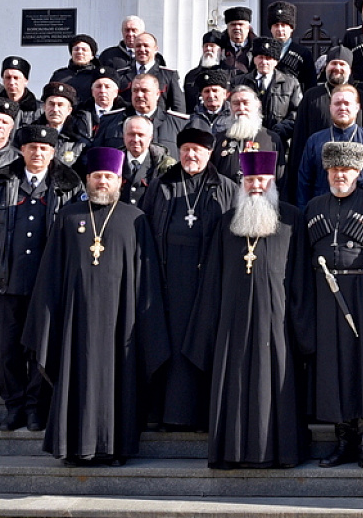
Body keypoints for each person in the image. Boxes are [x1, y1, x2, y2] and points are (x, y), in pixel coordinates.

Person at [23, 147, 169, 466]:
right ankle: (73, 447)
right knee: (76, 378)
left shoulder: (135, 219)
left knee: (120, 384)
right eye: (97, 176)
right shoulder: (69, 216)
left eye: (109, 177)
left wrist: (146, 321)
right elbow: (51, 272)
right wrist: (48, 319)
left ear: (120, 180)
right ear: (87, 180)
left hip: (121, 321)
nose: (102, 181)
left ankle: (114, 449)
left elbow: (146, 277)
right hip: (76, 320)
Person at [190, 151, 311, 469]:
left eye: (262, 180)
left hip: (277, 321)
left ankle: (278, 452)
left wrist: (301, 329)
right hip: (233, 321)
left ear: (272, 183)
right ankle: (232, 452)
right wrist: (211, 325)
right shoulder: (225, 223)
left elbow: (300, 278)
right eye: (250, 180)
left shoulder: (291, 219)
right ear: (242, 183)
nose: (256, 185)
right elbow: (212, 280)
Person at [0, 124, 83, 433]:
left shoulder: (69, 184)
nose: (38, 153)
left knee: (41, 348)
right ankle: (14, 407)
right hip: (7, 282)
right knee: (7, 349)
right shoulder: (1, 181)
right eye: (32, 147)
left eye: (45, 148)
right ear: (22, 150)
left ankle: (36, 408)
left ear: (53, 152)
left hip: (48, 284)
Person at [139, 127, 236, 430]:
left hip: (208, 280)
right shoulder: (160, 185)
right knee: (168, 344)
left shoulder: (227, 187)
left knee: (201, 344)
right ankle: (166, 414)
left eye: (197, 150)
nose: (191, 155)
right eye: (185, 150)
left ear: (209, 153)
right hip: (166, 280)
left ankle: (201, 415)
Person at [305, 142, 363, 476]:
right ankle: (343, 442)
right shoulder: (313, 207)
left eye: (347, 170)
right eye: (335, 170)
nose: (340, 175)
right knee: (333, 368)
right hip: (325, 295)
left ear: (358, 172)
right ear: (327, 171)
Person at [296, 85, 363, 209]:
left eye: (347, 103)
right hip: (323, 212)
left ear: (357, 107)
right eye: (337, 103)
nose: (342, 107)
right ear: (330, 108)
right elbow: (304, 182)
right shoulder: (315, 141)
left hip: (362, 212)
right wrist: (305, 213)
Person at [96, 73, 189, 159]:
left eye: (145, 91)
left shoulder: (178, 124)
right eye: (135, 91)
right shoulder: (110, 121)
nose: (139, 95)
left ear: (157, 94)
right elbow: (96, 156)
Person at [234, 37, 301, 144]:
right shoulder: (238, 82)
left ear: (276, 61)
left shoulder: (291, 84)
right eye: (260, 57)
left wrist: (281, 130)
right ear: (254, 59)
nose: (264, 62)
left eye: (268, 58)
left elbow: (297, 113)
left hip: (277, 142)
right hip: (245, 140)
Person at [210, 86, 283, 182]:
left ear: (257, 105)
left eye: (246, 103)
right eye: (236, 104)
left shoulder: (271, 140)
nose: (241, 108)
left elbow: (281, 180)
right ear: (230, 107)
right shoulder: (218, 139)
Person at [116, 32, 186, 113]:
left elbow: (179, 108)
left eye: (146, 46)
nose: (142, 49)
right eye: (138, 46)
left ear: (155, 49)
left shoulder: (169, 75)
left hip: (158, 123)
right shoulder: (120, 75)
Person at [118, 115, 176, 207]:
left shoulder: (164, 164)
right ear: (124, 136)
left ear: (150, 138)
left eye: (141, 135)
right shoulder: (114, 162)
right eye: (131, 134)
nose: (136, 139)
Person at [33, 81, 90, 168]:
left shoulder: (80, 143)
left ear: (69, 110)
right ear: (44, 107)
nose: (55, 109)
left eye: (60, 105)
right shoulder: (29, 135)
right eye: (51, 104)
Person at [265, 0, 317, 90]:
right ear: (271, 28)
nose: (280, 29)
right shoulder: (262, 51)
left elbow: (310, 84)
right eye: (276, 25)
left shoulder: (303, 53)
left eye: (284, 25)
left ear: (291, 28)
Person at [48, 34, 102, 104]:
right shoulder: (59, 75)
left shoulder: (97, 76)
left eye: (84, 50)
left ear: (92, 55)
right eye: (76, 49)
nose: (79, 52)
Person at [0, 56, 42, 128]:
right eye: (8, 77)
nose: (12, 82)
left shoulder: (39, 110)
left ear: (26, 81)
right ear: (3, 80)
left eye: (16, 78)